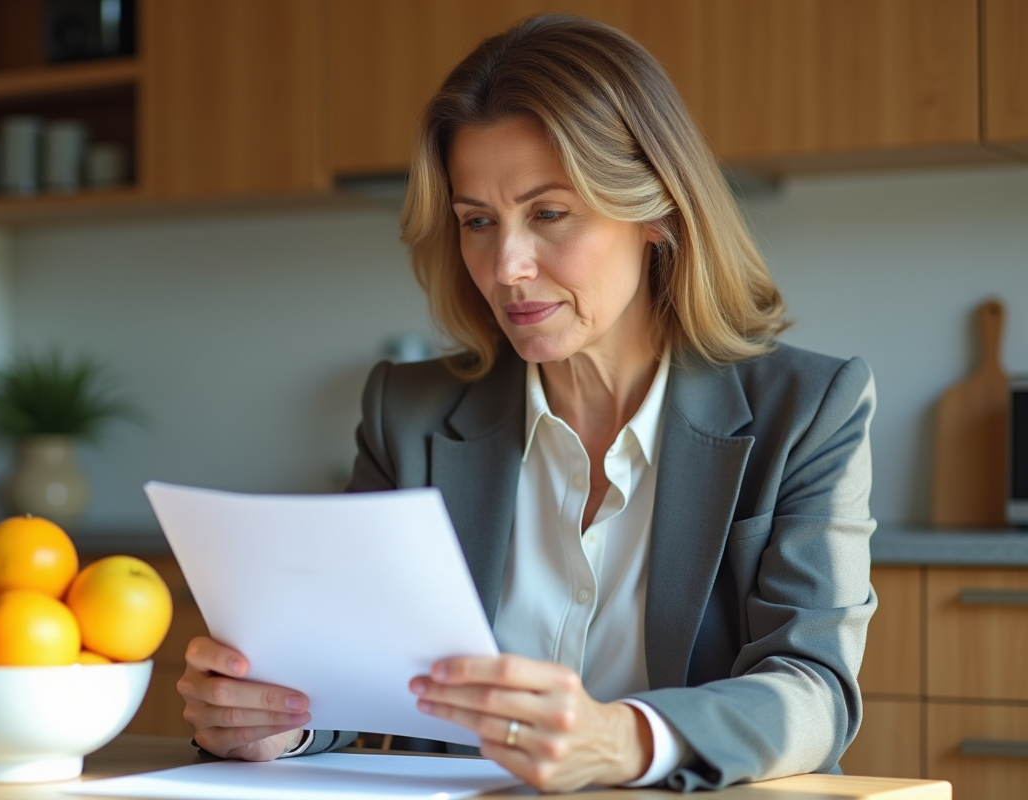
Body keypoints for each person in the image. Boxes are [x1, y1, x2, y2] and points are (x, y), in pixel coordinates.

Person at [177, 14, 877, 792]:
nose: (506, 266)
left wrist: (626, 738)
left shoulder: (809, 409)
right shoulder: (404, 415)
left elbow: (814, 691)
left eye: (548, 214)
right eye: (478, 221)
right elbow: (363, 676)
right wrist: (277, 720)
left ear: (656, 210)